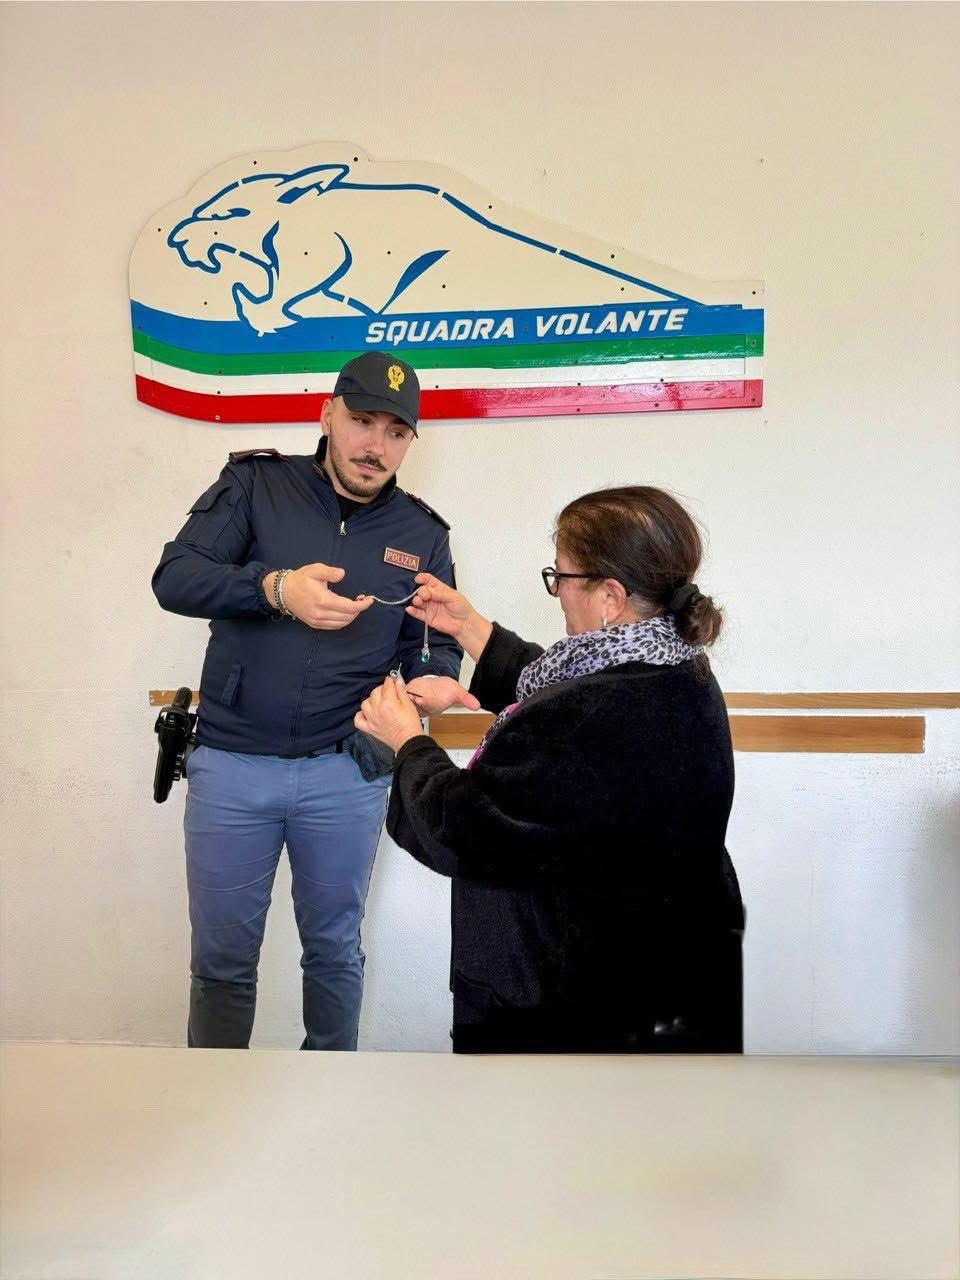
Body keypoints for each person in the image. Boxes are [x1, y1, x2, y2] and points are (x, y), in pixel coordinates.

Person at [152, 351, 475, 1050]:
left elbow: (432, 643)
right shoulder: (255, 486)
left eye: (396, 432)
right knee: (222, 965)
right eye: (362, 421)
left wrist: (430, 682)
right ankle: (215, 1096)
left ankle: (334, 1095)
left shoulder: (423, 534)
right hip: (232, 766)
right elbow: (174, 577)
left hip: (346, 773)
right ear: (327, 415)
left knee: (334, 953)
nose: (375, 445)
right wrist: (274, 589)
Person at [356, 485, 745, 1053]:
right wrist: (470, 627)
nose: (557, 591)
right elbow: (562, 689)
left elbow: (466, 832)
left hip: (567, 1005)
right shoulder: (677, 668)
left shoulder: (589, 714)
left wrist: (407, 741)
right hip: (670, 977)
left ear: (610, 596)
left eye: (560, 576)